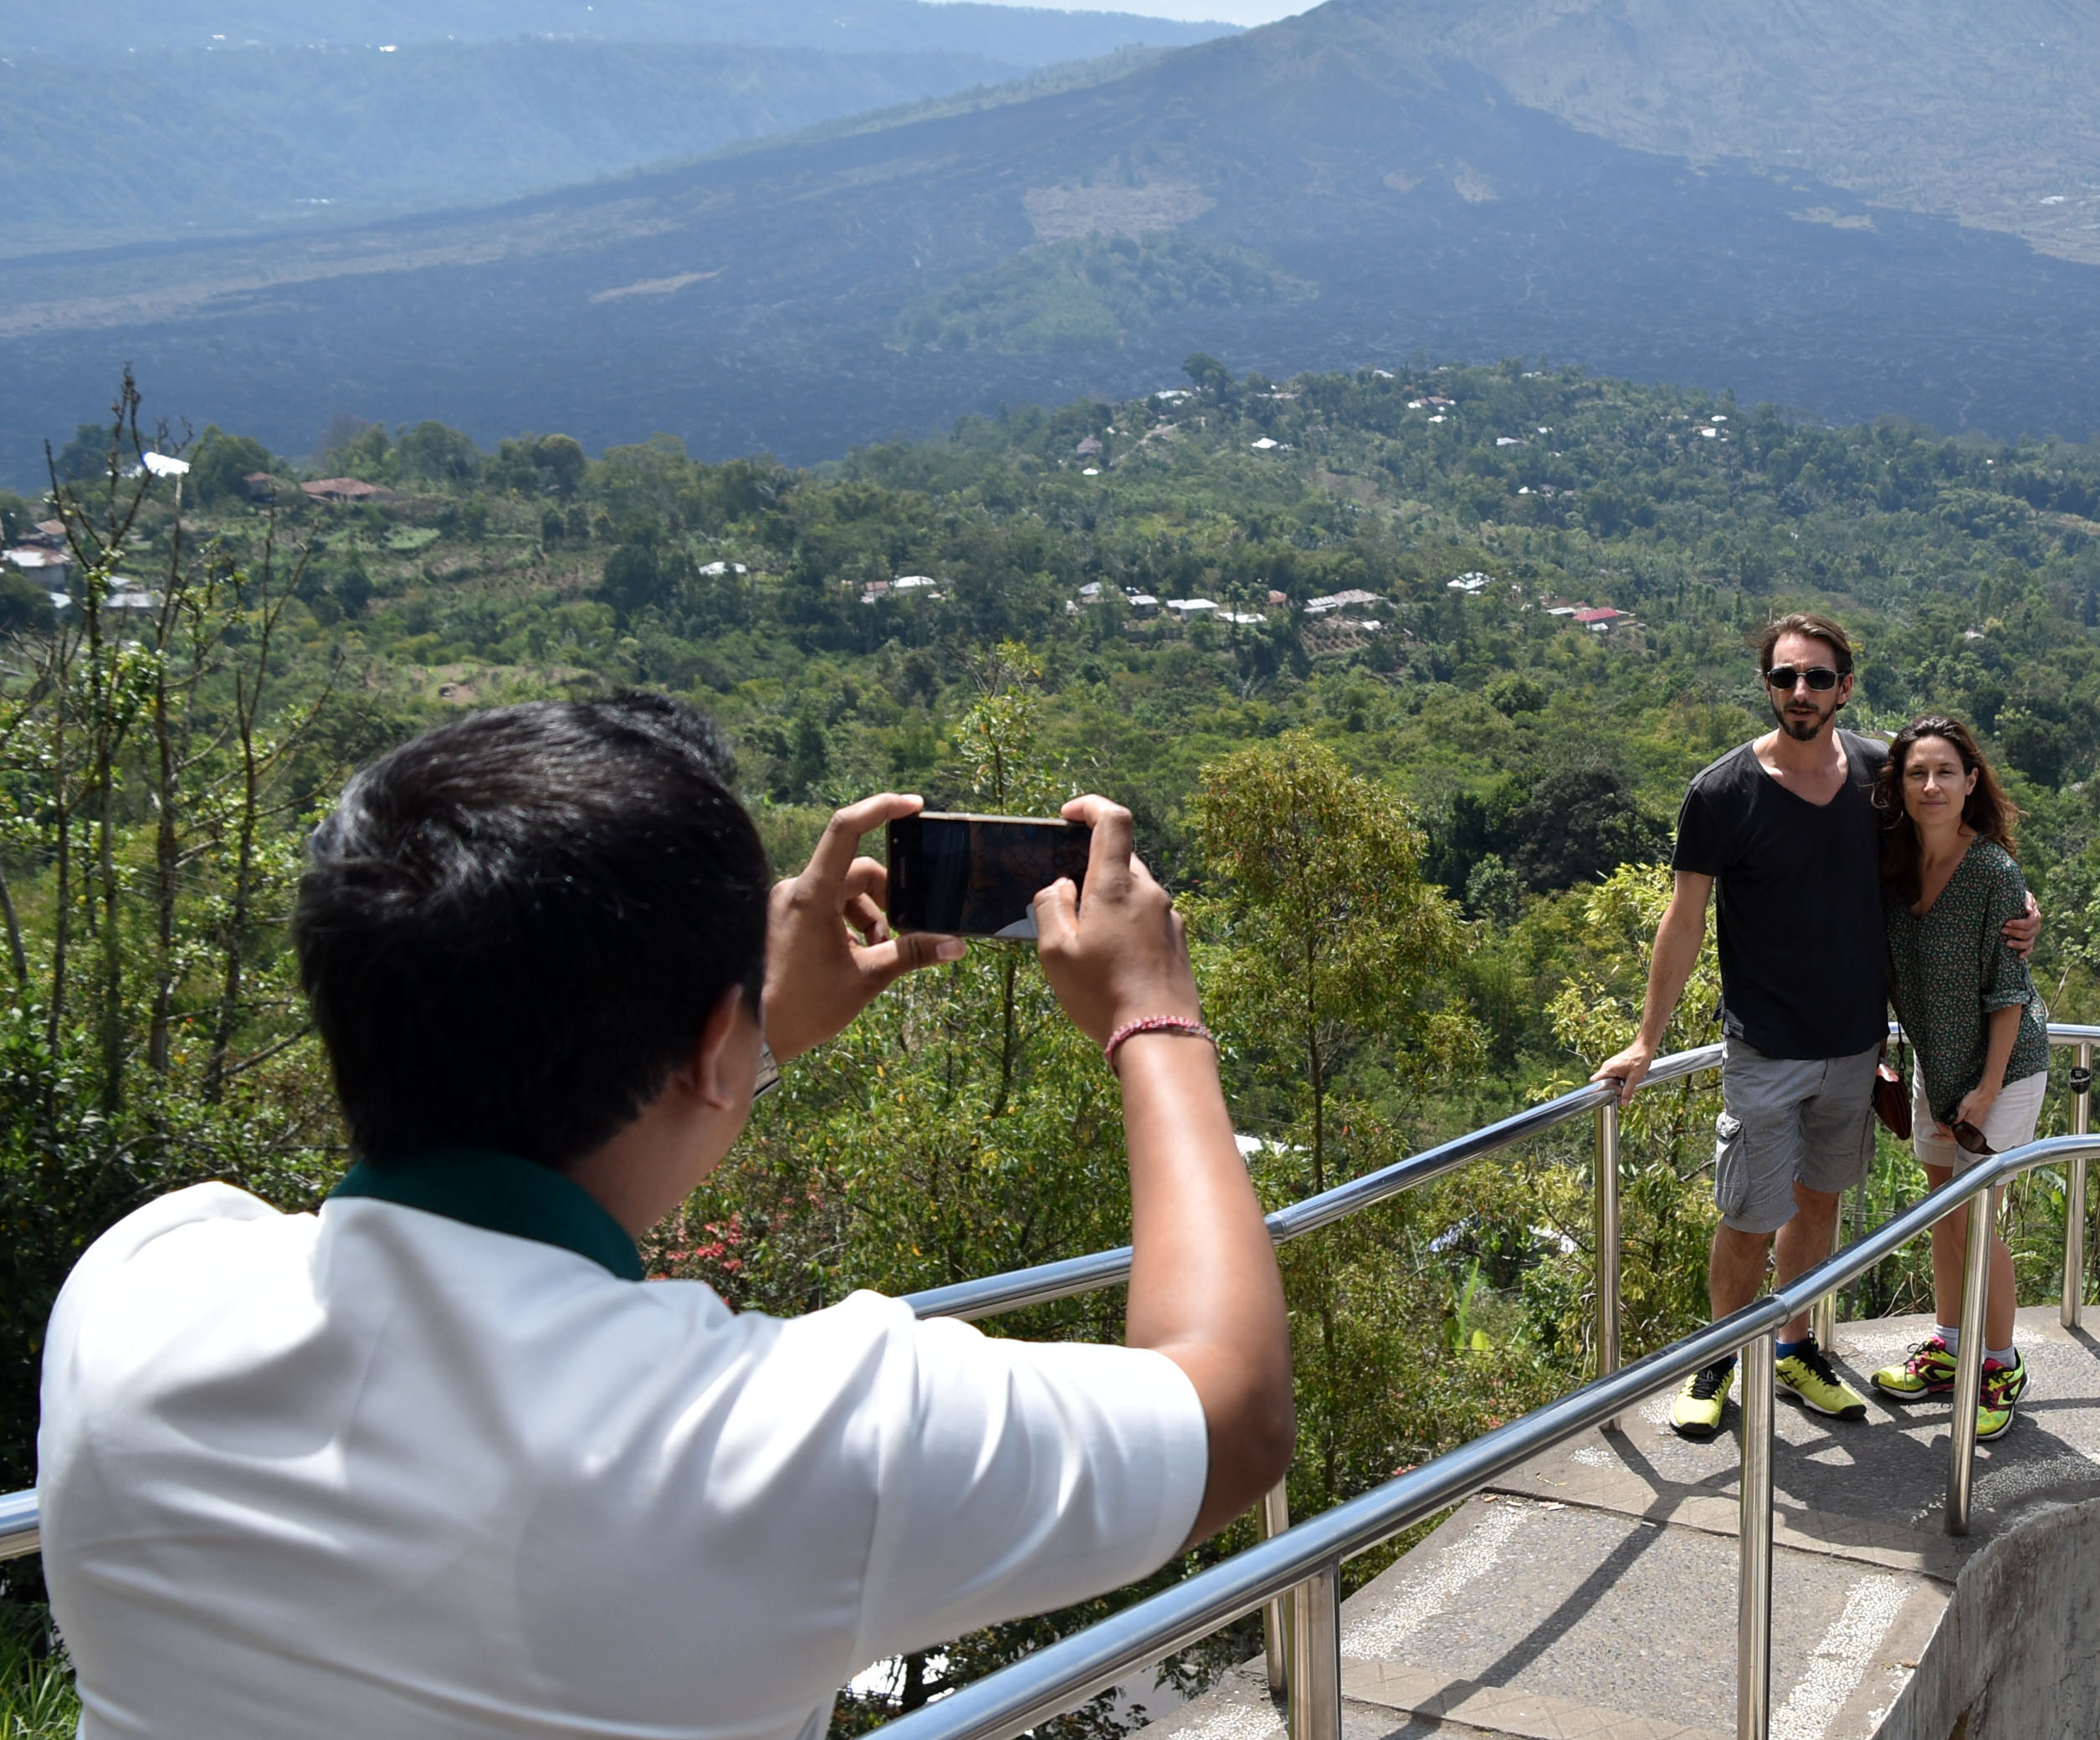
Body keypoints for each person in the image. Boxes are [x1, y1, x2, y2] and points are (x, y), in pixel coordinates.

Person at [37, 693, 1293, 1740]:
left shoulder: (140, 1291)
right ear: (706, 1043)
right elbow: (1230, 1417)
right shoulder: (795, 1445)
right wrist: (1154, 1019)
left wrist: (734, 1041)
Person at [1592, 616, 2034, 1443]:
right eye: (1786, 677)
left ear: (1845, 687)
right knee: (1749, 1213)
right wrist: (1646, 1039)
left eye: (1818, 678)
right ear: (1767, 685)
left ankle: (1795, 1348)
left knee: (1818, 1202)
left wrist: (2019, 908)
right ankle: (1718, 1360)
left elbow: (1948, 847)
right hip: (1765, 1041)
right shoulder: (1722, 793)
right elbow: (1683, 920)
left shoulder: (1876, 775)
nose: (1802, 692)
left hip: (1854, 1043)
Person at [1865, 714, 2047, 1441]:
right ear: (1900, 787)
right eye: (1917, 773)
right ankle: (1949, 1345)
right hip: (1935, 1066)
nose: (1932, 785)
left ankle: (1999, 1363)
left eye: (1946, 772)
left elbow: (2009, 995)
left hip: (2001, 1070)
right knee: (1943, 1209)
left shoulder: (1993, 873)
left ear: (1971, 782)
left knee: (1975, 1217)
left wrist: (1985, 1090)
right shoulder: (1893, 865)